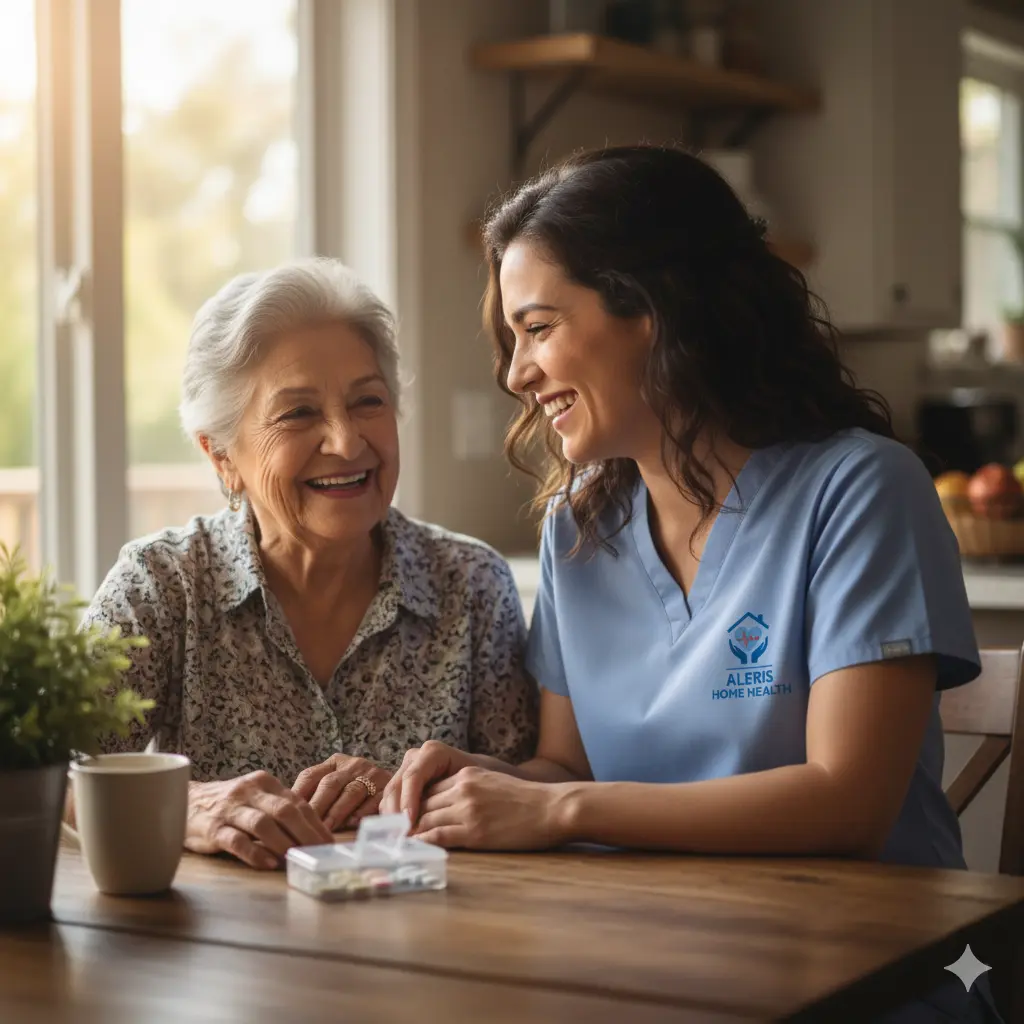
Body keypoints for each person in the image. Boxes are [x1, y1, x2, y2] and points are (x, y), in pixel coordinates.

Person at [380, 146, 999, 1022]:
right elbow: (567, 765)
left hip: (877, 977)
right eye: (513, 339)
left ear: (652, 312)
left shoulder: (863, 491)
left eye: (540, 327)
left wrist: (556, 815)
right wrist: (479, 783)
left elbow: (848, 802)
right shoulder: (578, 532)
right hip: (649, 959)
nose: (514, 373)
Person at [81, 258, 537, 871]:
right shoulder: (161, 585)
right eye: (298, 413)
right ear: (221, 457)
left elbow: (526, 785)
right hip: (218, 958)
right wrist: (186, 806)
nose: (347, 443)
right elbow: (44, 773)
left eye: (368, 401)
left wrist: (415, 795)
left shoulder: (473, 584)